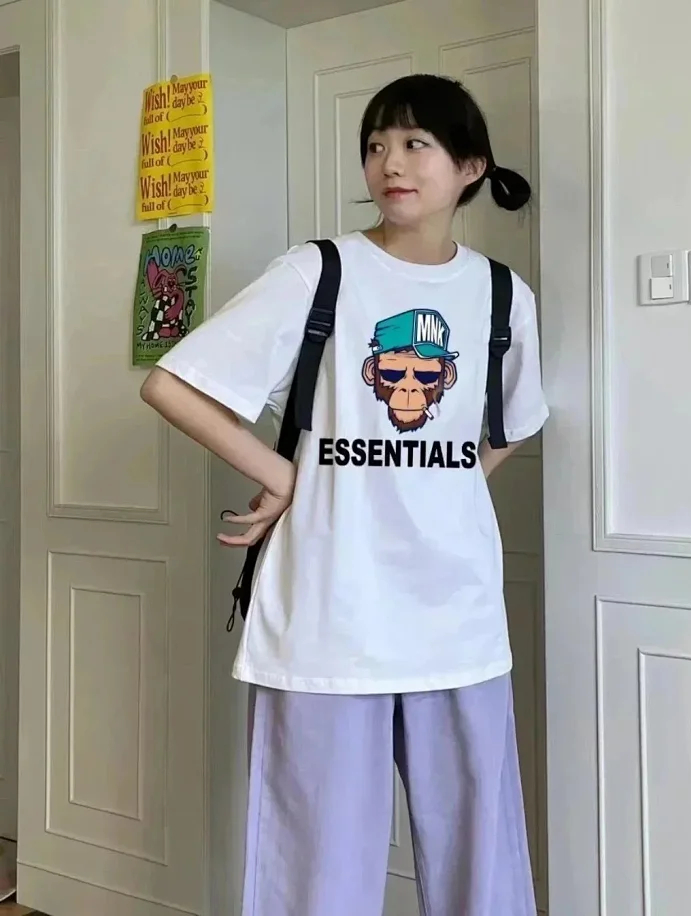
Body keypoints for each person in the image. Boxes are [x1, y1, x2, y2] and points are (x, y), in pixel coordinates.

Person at [141, 73, 548, 916]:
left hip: (457, 618)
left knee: (482, 867)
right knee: (314, 872)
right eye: (375, 145)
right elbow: (172, 385)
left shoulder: (504, 296)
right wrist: (288, 477)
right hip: (329, 615)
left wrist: (429, 493)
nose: (390, 163)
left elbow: (512, 423)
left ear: (470, 166)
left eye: (415, 143)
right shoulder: (317, 272)